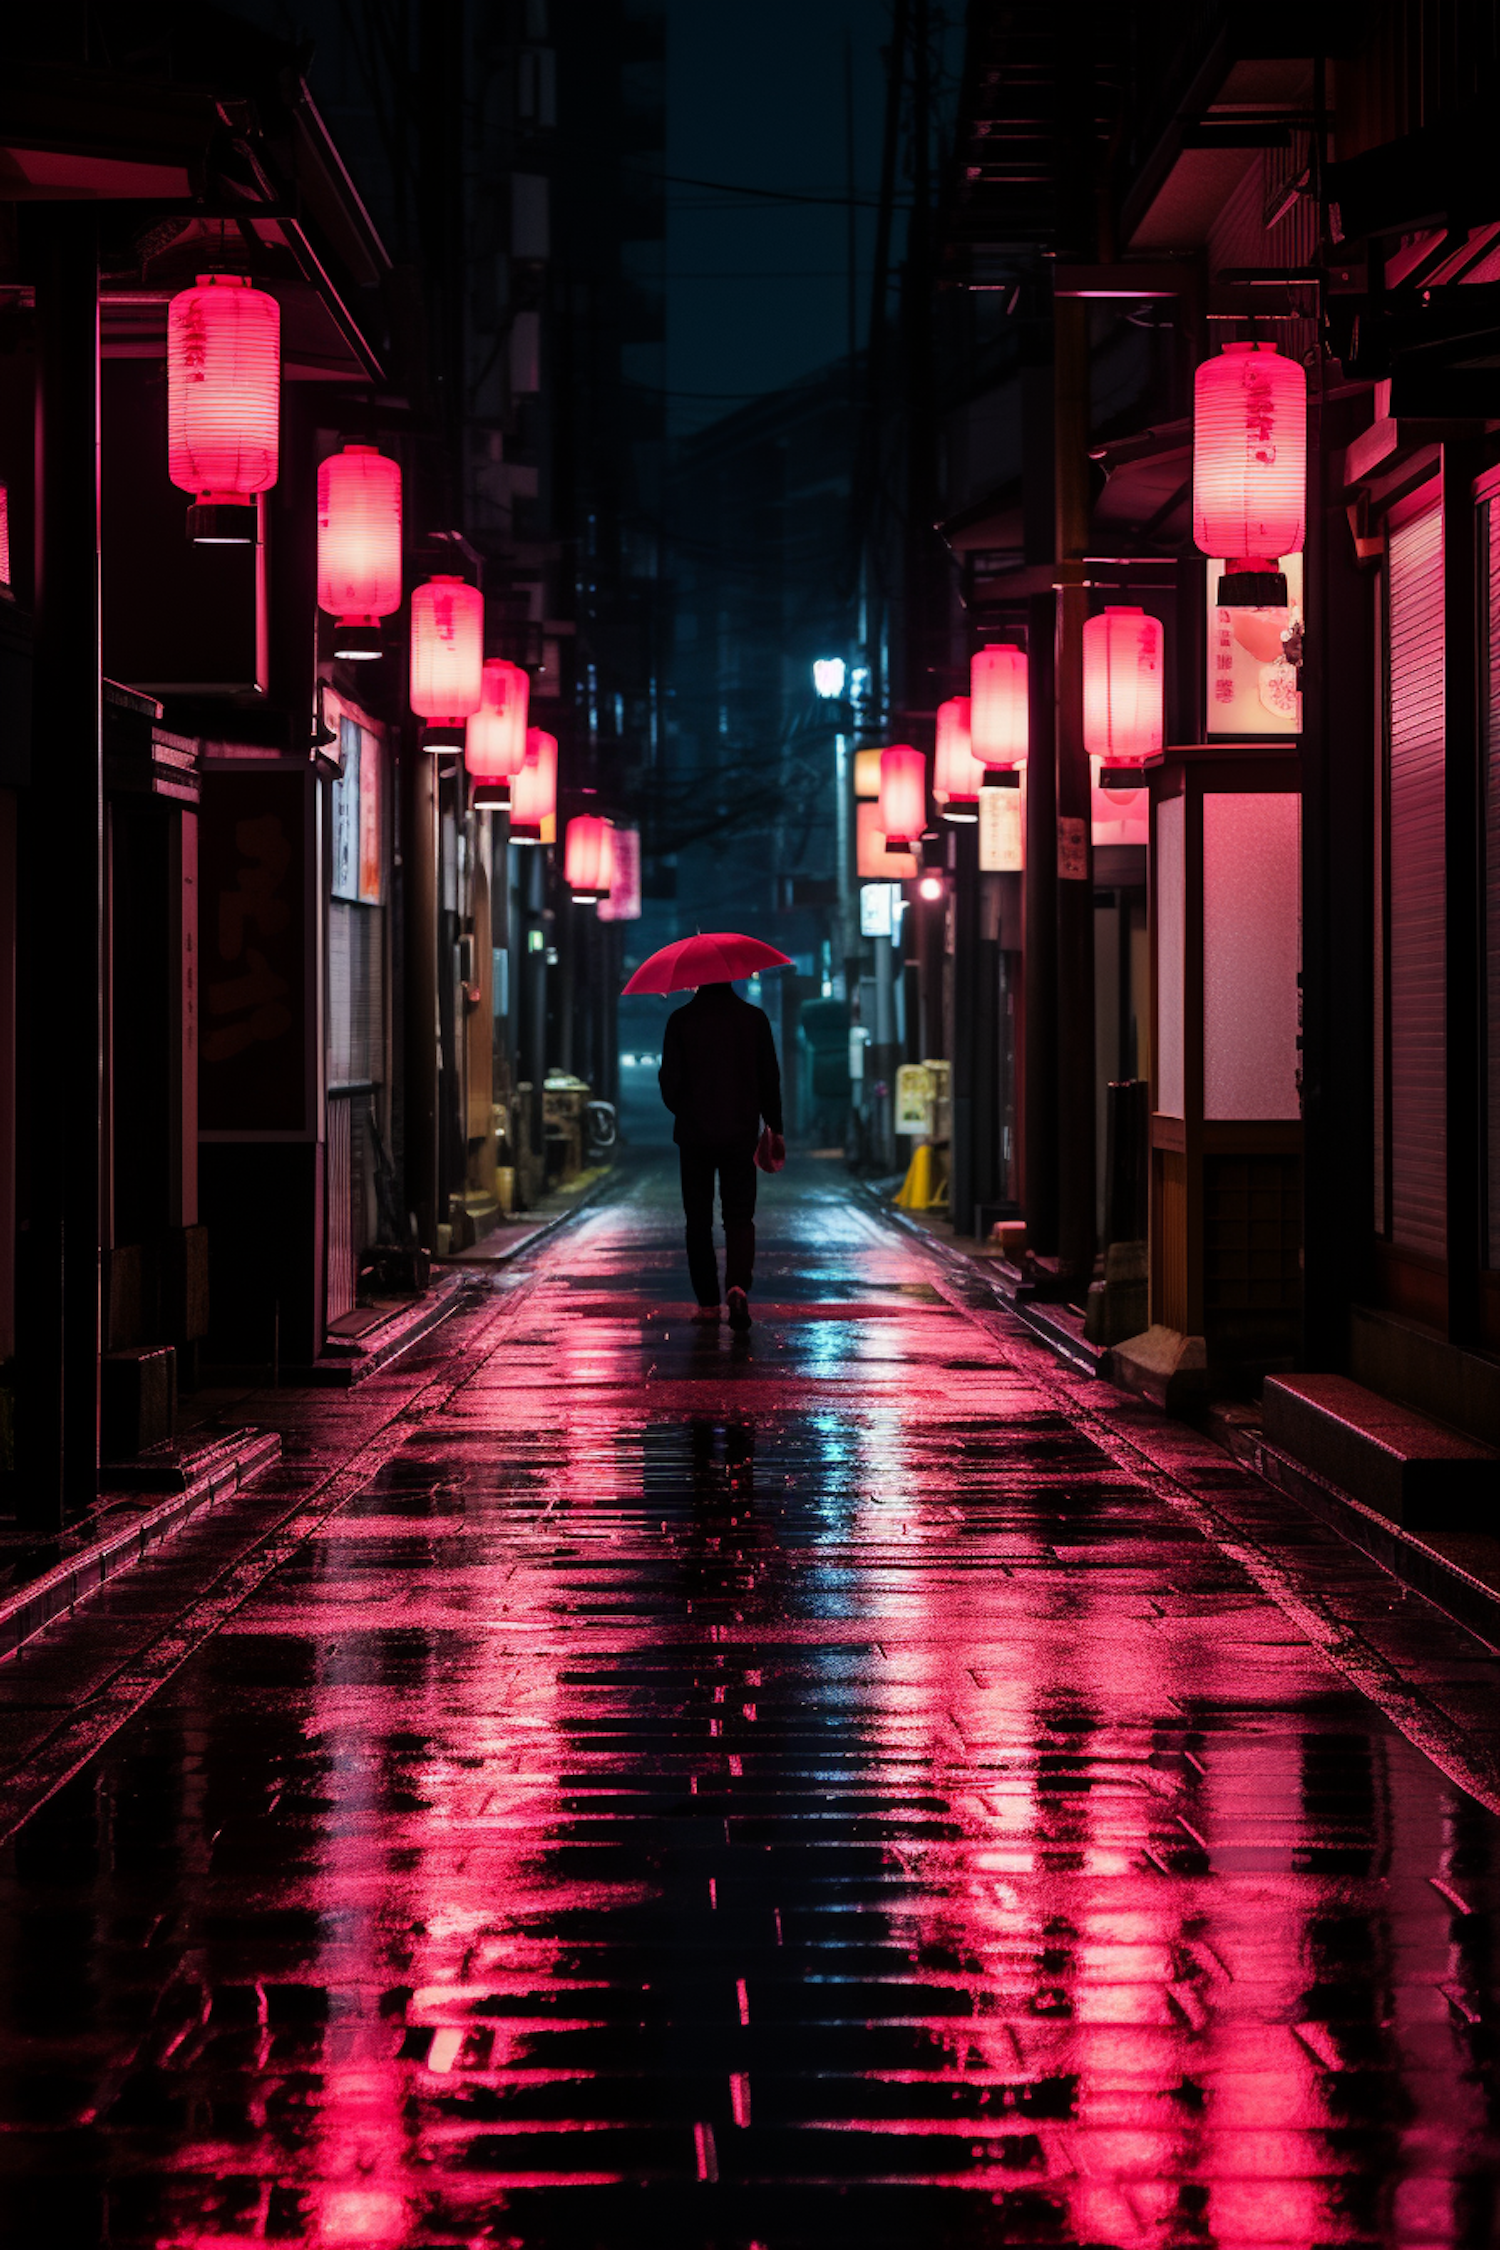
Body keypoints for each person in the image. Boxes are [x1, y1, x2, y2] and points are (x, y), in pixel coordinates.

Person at [658, 980, 784, 1329]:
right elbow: (769, 1078)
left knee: (697, 1220)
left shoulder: (681, 1020)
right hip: (740, 1133)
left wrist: (686, 1110)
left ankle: (708, 1304)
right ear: (733, 977)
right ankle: (738, 1286)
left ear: (696, 979)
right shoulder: (753, 1019)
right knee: (739, 1216)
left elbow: (668, 1082)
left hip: (693, 1136)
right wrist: (774, 1126)